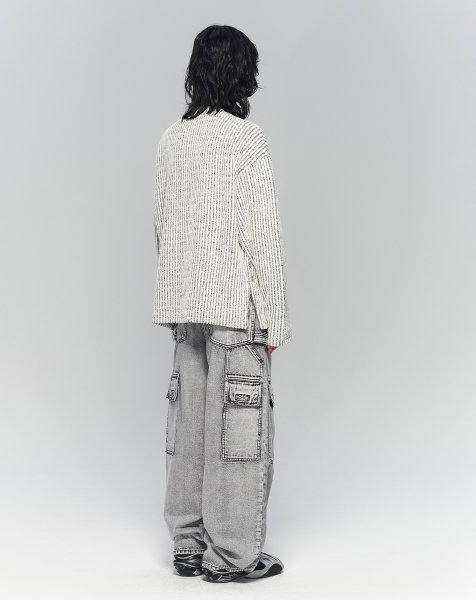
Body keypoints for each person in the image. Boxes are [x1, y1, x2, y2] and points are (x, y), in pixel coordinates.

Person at [151, 24, 292, 583]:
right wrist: (274, 318)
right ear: (240, 74)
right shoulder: (245, 139)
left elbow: (163, 223)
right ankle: (232, 556)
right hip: (235, 308)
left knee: (189, 430)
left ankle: (188, 546)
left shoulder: (172, 138)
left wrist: (174, 304)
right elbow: (262, 233)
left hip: (187, 308)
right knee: (238, 435)